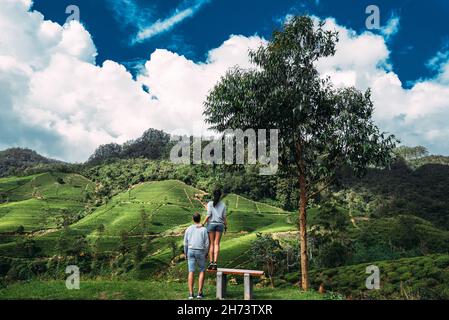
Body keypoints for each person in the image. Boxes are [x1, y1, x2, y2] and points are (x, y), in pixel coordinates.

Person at [184, 212, 209, 299]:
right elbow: (206, 243)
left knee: (191, 271)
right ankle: (199, 293)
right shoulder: (204, 229)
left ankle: (191, 294)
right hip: (200, 251)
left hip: (190, 251)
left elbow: (185, 242)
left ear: (193, 219)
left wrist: (185, 252)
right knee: (202, 270)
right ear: (200, 219)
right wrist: (206, 253)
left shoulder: (188, 229)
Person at [201, 189, 227, 270]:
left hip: (211, 224)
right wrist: (226, 226)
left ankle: (211, 262)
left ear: (213, 195)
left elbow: (208, 215)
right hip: (220, 225)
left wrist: (202, 224)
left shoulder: (210, 204)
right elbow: (224, 217)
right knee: (216, 244)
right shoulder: (223, 205)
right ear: (220, 196)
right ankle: (215, 263)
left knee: (211, 244)